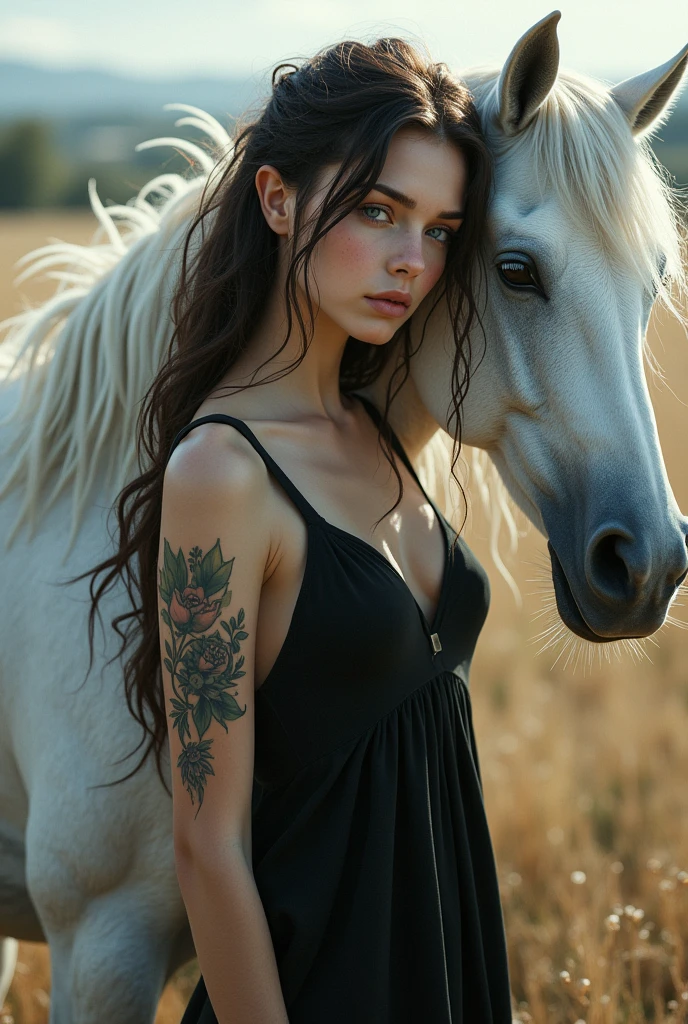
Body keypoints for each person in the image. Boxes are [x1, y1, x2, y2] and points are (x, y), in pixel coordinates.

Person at [86, 36, 512, 1023]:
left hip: (442, 967)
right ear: (277, 200)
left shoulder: (373, 427)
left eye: (441, 229)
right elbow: (208, 842)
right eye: (378, 211)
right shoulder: (220, 474)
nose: (413, 260)